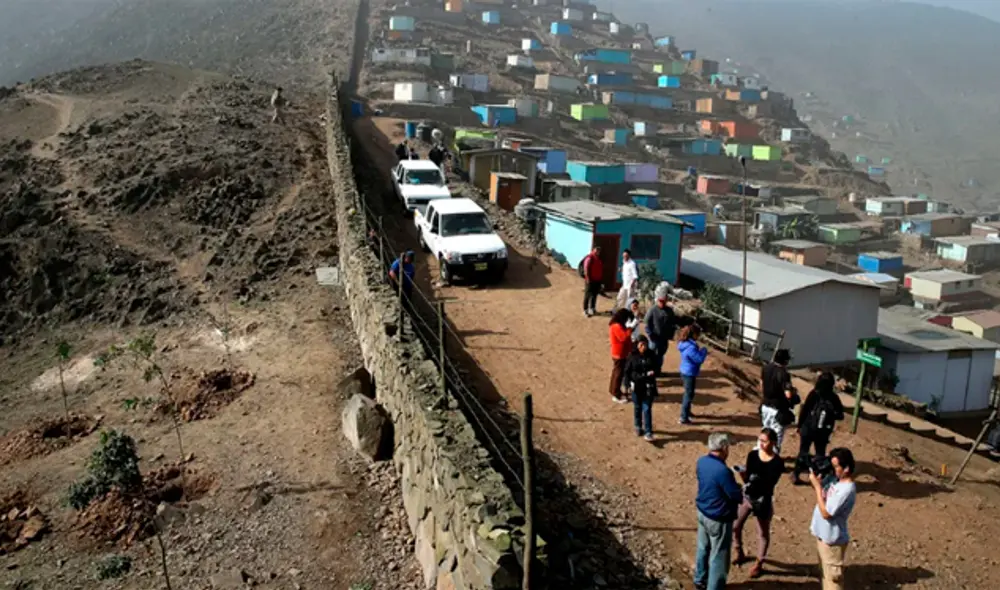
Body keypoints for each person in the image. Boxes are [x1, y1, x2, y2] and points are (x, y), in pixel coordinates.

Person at [733, 428, 785, 579]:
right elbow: (748, 479)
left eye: (764, 441)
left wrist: (755, 481)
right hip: (748, 497)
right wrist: (744, 475)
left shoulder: (777, 463)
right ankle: (739, 551)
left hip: (763, 501)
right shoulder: (752, 455)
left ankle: (759, 562)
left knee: (762, 533)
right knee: (735, 525)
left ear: (773, 442)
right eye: (759, 440)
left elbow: (770, 484)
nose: (761, 444)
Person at [694, 432, 743, 590]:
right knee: (719, 557)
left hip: (703, 512)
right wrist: (740, 487)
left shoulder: (701, 462)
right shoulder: (723, 471)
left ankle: (700, 579)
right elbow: (734, 495)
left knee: (703, 548)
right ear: (723, 448)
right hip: (718, 518)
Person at [810, 447, 857, 590]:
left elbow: (826, 513)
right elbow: (824, 499)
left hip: (832, 541)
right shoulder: (836, 481)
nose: (833, 469)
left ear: (847, 468)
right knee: (825, 576)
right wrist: (819, 484)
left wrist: (817, 487)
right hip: (823, 536)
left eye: (836, 466)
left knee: (833, 583)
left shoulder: (846, 489)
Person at [793, 372, 846, 485]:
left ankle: (796, 474)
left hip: (808, 428)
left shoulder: (814, 394)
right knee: (820, 455)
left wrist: (799, 426)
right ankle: (817, 478)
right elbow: (841, 415)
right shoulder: (834, 397)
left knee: (803, 452)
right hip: (823, 432)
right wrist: (831, 414)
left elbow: (805, 410)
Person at [759, 349, 798, 453]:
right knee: (776, 437)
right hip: (778, 409)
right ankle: (772, 459)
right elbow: (788, 394)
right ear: (785, 361)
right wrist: (794, 393)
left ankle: (760, 454)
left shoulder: (766, 368)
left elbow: (761, 385)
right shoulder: (784, 374)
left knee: (765, 432)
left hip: (765, 405)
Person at [626, 335, 658, 441]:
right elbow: (628, 372)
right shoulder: (632, 356)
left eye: (645, 344)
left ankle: (648, 431)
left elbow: (657, 369)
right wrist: (627, 385)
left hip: (648, 386)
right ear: (637, 345)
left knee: (647, 408)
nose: (643, 346)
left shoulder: (652, 355)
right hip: (636, 387)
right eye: (641, 344)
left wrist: (653, 373)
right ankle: (638, 426)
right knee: (637, 407)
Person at [678, 324, 709, 425]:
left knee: (689, 393)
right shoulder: (690, 347)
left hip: (686, 371)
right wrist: (704, 351)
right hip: (689, 373)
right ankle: (683, 417)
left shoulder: (685, 344)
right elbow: (699, 359)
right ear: (693, 334)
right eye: (698, 334)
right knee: (688, 395)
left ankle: (687, 412)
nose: (698, 336)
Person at [644, 296, 677, 375]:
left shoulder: (669, 310)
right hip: (654, 337)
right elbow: (647, 323)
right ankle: (649, 371)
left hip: (664, 337)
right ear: (657, 301)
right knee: (651, 353)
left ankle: (657, 370)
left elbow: (673, 322)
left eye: (663, 301)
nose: (662, 303)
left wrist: (671, 334)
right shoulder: (652, 310)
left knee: (661, 354)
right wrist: (650, 334)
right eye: (660, 301)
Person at [608, 308, 634, 404]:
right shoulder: (616, 326)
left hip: (619, 353)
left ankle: (614, 390)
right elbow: (623, 338)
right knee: (618, 374)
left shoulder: (615, 325)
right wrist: (629, 329)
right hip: (619, 353)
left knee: (617, 373)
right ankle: (616, 394)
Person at [582, 246, 604, 317]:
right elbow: (586, 269)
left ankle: (592, 309)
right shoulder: (589, 258)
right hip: (590, 280)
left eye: (599, 250)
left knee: (594, 295)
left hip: (597, 280)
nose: (597, 251)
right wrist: (588, 279)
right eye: (596, 250)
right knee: (587, 295)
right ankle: (585, 310)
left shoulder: (598, 259)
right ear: (593, 250)